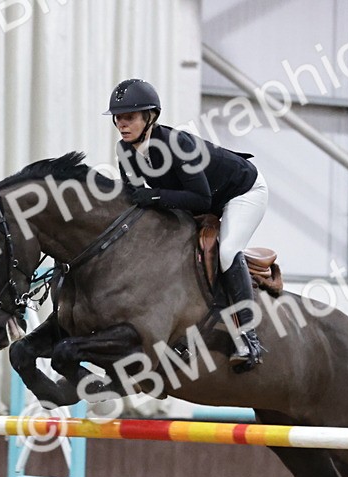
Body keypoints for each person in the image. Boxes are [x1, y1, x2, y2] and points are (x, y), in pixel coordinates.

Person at [105, 78, 267, 371]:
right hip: (197, 198)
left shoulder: (177, 144)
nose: (121, 124)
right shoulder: (125, 150)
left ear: (150, 117)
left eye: (129, 117)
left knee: (227, 251)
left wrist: (154, 195)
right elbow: (134, 198)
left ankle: (248, 336)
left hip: (242, 191)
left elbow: (202, 199)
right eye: (118, 118)